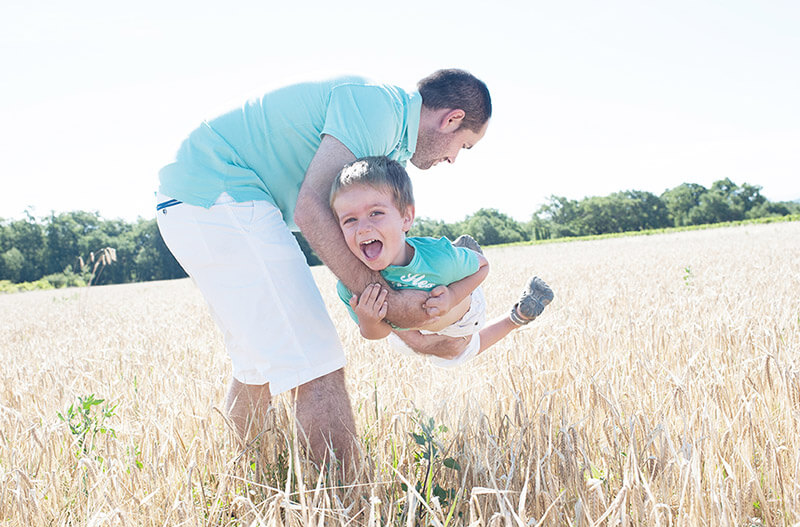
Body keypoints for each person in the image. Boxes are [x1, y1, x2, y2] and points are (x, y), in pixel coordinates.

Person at [155, 69, 492, 473]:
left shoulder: (390, 136)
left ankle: (260, 488)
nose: (453, 158)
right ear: (451, 119)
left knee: (257, 365)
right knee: (317, 361)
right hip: (220, 193)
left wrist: (403, 314)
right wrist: (395, 305)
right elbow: (311, 209)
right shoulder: (380, 109)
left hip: (196, 200)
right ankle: (349, 507)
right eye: (465, 146)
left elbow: (354, 237)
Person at [330, 156, 553, 366]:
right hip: (409, 329)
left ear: (406, 218)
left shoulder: (438, 258)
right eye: (350, 220)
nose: (363, 228)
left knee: (458, 348)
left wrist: (453, 296)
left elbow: (484, 265)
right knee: (448, 355)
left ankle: (463, 260)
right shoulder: (350, 285)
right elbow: (377, 334)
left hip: (458, 313)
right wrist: (369, 322)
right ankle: (517, 315)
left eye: (375, 213)